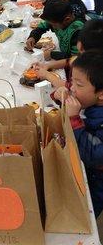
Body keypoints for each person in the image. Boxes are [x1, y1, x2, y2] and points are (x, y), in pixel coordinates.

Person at [65, 51, 103, 218]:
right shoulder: (90, 100)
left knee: (86, 215)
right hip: (84, 171)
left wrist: (74, 120)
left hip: (97, 182)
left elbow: (94, 155)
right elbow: (75, 92)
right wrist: (62, 94)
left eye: (78, 85)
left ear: (101, 94)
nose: (72, 88)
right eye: (71, 81)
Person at [34, 19, 103, 91]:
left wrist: (47, 75)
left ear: (80, 46)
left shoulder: (93, 69)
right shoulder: (93, 56)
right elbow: (71, 60)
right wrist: (48, 65)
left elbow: (71, 89)